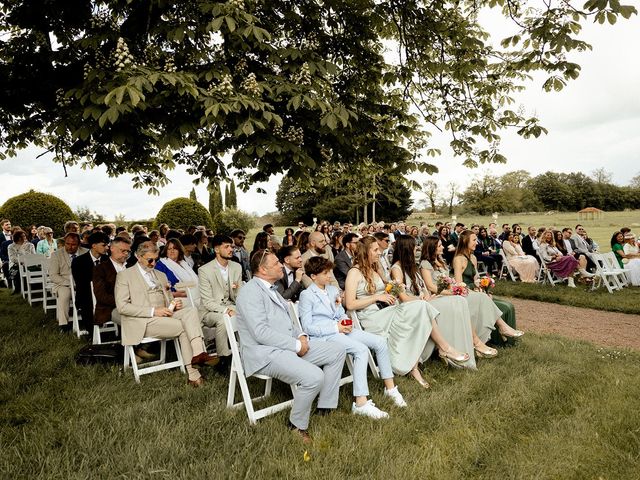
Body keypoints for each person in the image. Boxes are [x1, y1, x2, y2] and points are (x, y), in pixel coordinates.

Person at [235, 249, 346, 443]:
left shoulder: (272, 288)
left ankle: (325, 406)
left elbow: (289, 321)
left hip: (286, 346)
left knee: (337, 351)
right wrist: (296, 345)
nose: (281, 265)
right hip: (265, 353)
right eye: (276, 263)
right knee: (314, 376)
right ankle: (296, 425)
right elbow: (260, 333)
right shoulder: (249, 291)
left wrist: (301, 336)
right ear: (262, 269)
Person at [299, 257, 407, 419]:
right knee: (361, 350)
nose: (330, 276)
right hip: (325, 336)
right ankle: (360, 402)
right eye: (325, 273)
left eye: (330, 272)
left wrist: (343, 321)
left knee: (380, 342)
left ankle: (390, 389)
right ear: (313, 276)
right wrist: (337, 327)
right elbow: (307, 327)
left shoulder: (332, 290)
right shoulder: (306, 295)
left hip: (341, 329)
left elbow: (340, 313)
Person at [344, 236, 443, 388]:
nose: (379, 253)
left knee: (419, 309)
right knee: (418, 309)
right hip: (371, 317)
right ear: (365, 252)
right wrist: (376, 297)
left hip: (385, 311)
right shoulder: (354, 272)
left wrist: (396, 287)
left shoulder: (375, 268)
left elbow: (387, 287)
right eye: (376, 250)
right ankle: (437, 352)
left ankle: (415, 366)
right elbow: (350, 304)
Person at [115, 241, 217, 387]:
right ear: (138, 257)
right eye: (150, 260)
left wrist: (174, 305)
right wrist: (153, 311)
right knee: (182, 327)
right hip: (141, 320)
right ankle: (194, 374)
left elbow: (168, 300)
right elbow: (122, 307)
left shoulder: (160, 274)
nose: (153, 263)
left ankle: (199, 354)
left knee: (190, 311)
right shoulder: (125, 276)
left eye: (156, 260)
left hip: (164, 315)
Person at [390, 235, 475, 369]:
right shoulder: (397, 269)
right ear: (406, 249)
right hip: (410, 307)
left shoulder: (411, 266)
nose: (416, 251)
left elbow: (422, 287)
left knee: (459, 300)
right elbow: (404, 298)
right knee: (454, 302)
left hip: (422, 302)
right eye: (414, 248)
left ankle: (463, 342)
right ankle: (445, 348)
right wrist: (423, 299)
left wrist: (425, 295)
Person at [419, 236, 500, 358]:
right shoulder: (425, 264)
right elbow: (430, 287)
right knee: (460, 301)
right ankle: (475, 342)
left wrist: (456, 288)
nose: (443, 247)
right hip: (436, 297)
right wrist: (452, 292)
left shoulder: (440, 260)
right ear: (432, 247)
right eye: (440, 245)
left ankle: (481, 337)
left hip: (447, 293)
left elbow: (448, 281)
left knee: (477, 298)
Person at [452, 230, 524, 342]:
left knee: (508, 306)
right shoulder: (458, 259)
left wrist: (484, 287)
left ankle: (504, 338)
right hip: (464, 295)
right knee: (491, 301)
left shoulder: (473, 258)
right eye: (474, 240)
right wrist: (477, 291)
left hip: (475, 292)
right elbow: (458, 286)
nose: (477, 243)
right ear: (465, 242)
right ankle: (502, 327)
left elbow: (476, 280)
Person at [198, 234, 243, 365]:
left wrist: (240, 307)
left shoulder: (236, 267)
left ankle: (249, 350)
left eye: (232, 247)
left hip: (231, 305)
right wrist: (226, 310)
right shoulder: (205, 270)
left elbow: (238, 293)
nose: (231, 249)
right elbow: (207, 302)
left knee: (249, 313)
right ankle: (223, 358)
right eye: (227, 246)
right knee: (224, 320)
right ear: (217, 250)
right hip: (209, 312)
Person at [71, 232, 110, 335]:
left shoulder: (108, 260)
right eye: (104, 245)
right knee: (87, 301)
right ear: (93, 245)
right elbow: (81, 284)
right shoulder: (79, 261)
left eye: (107, 245)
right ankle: (92, 333)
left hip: (106, 294)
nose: (107, 248)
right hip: (86, 294)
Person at [49, 233, 88, 332]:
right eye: (67, 244)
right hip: (63, 283)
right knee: (64, 294)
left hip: (83, 282)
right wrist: (70, 284)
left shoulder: (86, 252)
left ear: (79, 244)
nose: (70, 247)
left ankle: (89, 319)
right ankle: (64, 325)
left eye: (73, 244)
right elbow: (53, 275)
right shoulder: (56, 255)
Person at [155, 238, 200, 304]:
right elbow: (159, 288)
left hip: (194, 294)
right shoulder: (160, 265)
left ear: (179, 250)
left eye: (175, 248)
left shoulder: (183, 263)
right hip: (176, 299)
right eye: (169, 249)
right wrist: (174, 294)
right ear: (166, 251)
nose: (172, 251)